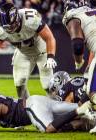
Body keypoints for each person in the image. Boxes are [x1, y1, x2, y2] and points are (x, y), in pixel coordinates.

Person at [0, 3, 57, 100]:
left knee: (47, 84)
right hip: (23, 52)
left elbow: (49, 38)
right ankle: (25, 109)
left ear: (18, 18)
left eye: (11, 25)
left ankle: (55, 105)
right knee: (19, 85)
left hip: (42, 51)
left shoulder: (30, 19)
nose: (10, 29)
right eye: (6, 28)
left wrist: (51, 57)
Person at [0, 93, 94, 132]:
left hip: (32, 108)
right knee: (84, 106)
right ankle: (86, 111)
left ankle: (79, 114)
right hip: (38, 101)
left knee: (49, 128)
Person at [62, 0, 96, 133]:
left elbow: (77, 45)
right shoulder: (91, 13)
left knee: (92, 92)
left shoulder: (73, 15)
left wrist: (78, 61)